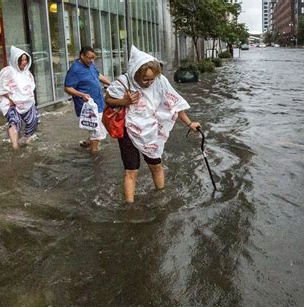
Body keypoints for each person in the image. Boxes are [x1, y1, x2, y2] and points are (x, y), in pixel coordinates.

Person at [105, 46, 201, 203]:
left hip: (152, 131)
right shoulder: (123, 82)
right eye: (145, 79)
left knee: (156, 166)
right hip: (128, 130)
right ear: (136, 73)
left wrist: (189, 123)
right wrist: (125, 101)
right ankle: (130, 208)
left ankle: (160, 196)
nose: (149, 83)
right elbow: (107, 99)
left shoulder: (160, 81)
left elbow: (174, 103)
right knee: (131, 171)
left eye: (152, 79)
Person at [64, 46, 111, 154]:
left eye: (93, 58)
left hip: (98, 102)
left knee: (101, 126)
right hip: (87, 106)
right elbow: (67, 88)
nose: (92, 60)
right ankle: (94, 154)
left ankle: (89, 142)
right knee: (96, 130)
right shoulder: (75, 70)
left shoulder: (91, 65)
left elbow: (98, 75)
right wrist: (81, 94)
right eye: (89, 58)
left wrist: (111, 83)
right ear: (82, 56)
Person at [0, 46, 39, 150]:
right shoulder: (7, 71)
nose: (24, 62)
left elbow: (31, 88)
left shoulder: (27, 73)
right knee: (14, 121)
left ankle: (27, 139)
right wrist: (9, 100)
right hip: (10, 102)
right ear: (15, 60)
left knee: (33, 120)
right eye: (21, 60)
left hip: (26, 102)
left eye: (25, 59)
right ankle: (15, 146)